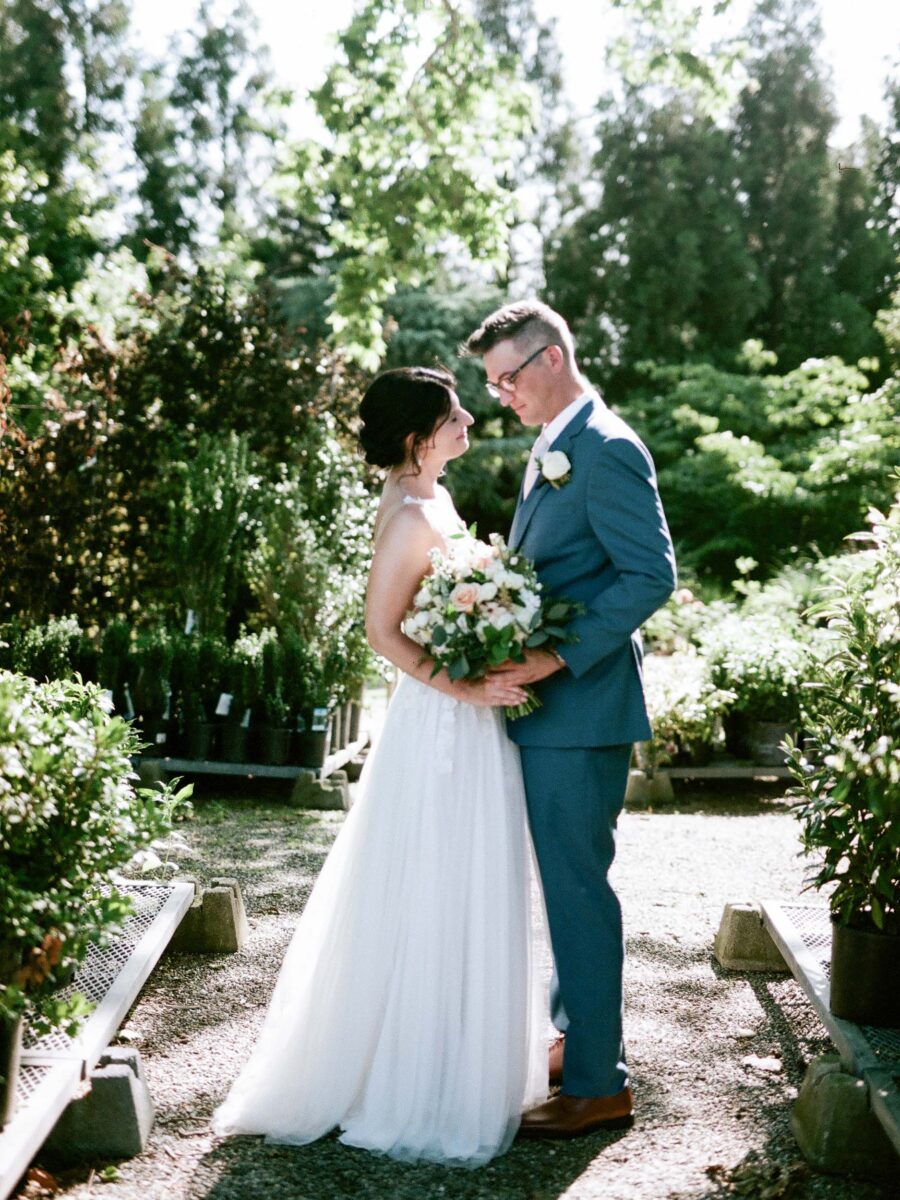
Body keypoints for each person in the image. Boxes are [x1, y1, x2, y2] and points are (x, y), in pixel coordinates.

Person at [211, 365, 547, 1166]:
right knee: (431, 875)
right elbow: (382, 633)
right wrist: (463, 685)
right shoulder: (405, 514)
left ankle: (465, 1058)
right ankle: (414, 1077)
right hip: (440, 720)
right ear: (414, 436)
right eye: (452, 411)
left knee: (466, 874)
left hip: (467, 715)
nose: (468, 417)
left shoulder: (432, 497)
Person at [463, 300, 677, 1138]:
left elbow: (649, 576)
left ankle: (599, 1083)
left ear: (551, 359)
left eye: (509, 378)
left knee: (578, 892)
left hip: (582, 710)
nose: (501, 396)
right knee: (562, 889)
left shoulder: (608, 447)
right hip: (550, 712)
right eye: (493, 384)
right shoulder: (553, 448)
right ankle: (575, 1036)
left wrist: (553, 657)